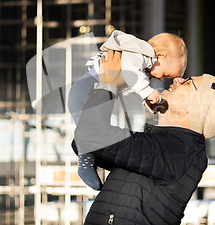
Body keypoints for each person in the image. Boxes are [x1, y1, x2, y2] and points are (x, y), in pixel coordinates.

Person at [73, 50, 215, 224]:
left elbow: (90, 135)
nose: (178, 79)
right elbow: (82, 140)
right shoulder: (165, 145)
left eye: (188, 83)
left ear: (195, 110)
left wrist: (108, 85)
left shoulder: (179, 150)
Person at [68, 30, 188, 190]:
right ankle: (85, 162)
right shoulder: (139, 53)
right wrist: (148, 92)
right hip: (85, 90)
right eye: (164, 74)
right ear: (160, 55)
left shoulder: (144, 69)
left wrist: (145, 98)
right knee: (89, 132)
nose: (160, 79)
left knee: (90, 131)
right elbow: (130, 74)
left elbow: (131, 85)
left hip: (92, 90)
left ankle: (88, 160)